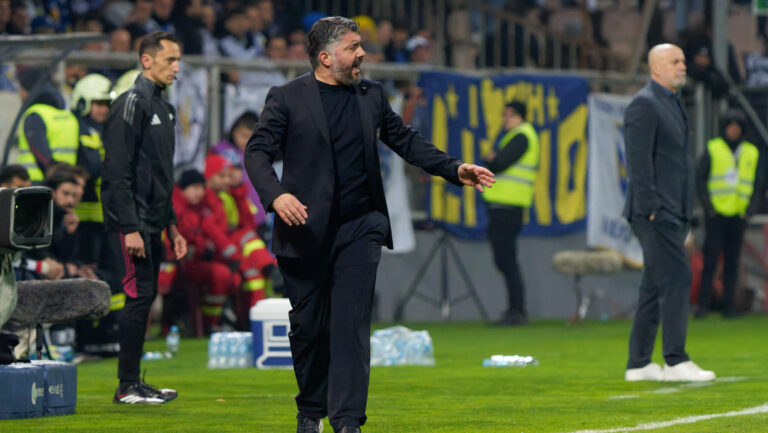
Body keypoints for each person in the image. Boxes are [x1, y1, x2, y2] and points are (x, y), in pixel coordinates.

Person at [245, 16, 495, 433]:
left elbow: (406, 141)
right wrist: (276, 195)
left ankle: (347, 422)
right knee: (308, 329)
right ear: (325, 57)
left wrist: (454, 168)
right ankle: (310, 410)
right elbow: (256, 153)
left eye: (361, 45)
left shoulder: (372, 95)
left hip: (360, 227)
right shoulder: (287, 97)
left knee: (351, 325)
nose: (362, 53)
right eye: (353, 47)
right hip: (304, 230)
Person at [101, 31, 187, 405]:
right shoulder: (131, 104)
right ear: (147, 60)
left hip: (154, 220)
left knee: (146, 295)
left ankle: (135, 382)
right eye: (170, 60)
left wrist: (171, 225)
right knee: (137, 297)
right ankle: (126, 387)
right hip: (132, 223)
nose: (177, 68)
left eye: (178, 60)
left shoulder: (163, 109)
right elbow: (116, 173)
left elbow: (161, 175)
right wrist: (130, 227)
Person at [622, 43, 715, 383]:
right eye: (675, 61)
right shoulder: (644, 105)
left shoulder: (670, 103)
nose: (683, 66)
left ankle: (639, 363)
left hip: (672, 210)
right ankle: (676, 360)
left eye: (684, 60)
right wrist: (651, 209)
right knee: (677, 276)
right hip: (654, 210)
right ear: (655, 68)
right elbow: (639, 163)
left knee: (653, 282)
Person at [695, 108, 764, 319]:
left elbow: (758, 184)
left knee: (733, 262)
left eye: (737, 127)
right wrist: (709, 207)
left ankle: (729, 307)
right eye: (730, 126)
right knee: (711, 260)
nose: (733, 130)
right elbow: (700, 178)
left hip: (738, 214)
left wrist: (749, 211)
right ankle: (703, 306)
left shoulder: (751, 152)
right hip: (716, 214)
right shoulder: (713, 148)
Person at [482, 101, 539, 326]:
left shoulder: (522, 135)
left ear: (521, 116)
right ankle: (515, 309)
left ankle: (517, 310)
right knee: (505, 259)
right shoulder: (515, 136)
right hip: (503, 206)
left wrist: (491, 160)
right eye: (504, 114)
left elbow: (500, 163)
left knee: (507, 260)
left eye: (510, 114)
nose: (505, 118)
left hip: (508, 207)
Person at [15, 68, 79, 183]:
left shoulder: (35, 115)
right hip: (66, 182)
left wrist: (55, 174)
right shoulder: (68, 115)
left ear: (28, 91)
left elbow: (41, 153)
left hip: (36, 182)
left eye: (20, 89)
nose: (19, 93)